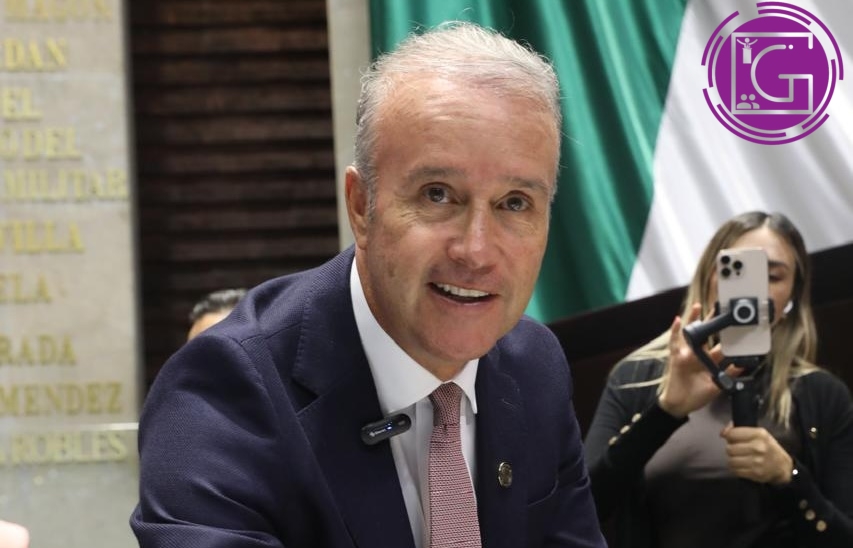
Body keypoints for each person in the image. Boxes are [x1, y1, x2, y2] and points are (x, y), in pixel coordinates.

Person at [131, 22, 606, 548]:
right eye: (437, 194)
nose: (475, 251)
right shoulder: (223, 393)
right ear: (361, 206)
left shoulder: (534, 367)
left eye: (514, 203)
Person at [584, 211, 853, 548]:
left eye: (773, 276)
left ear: (792, 297)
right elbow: (584, 505)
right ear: (710, 278)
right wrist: (665, 412)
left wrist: (790, 476)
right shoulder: (636, 378)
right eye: (738, 272)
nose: (755, 292)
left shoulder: (822, 394)